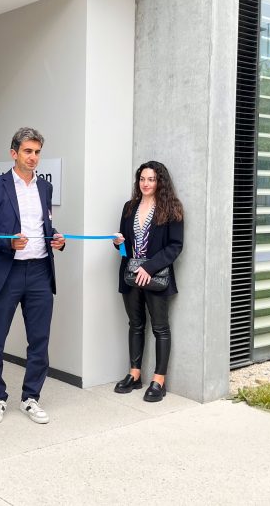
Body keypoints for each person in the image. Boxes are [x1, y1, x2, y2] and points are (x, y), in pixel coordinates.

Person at [0, 127, 65, 425]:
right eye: (28, 151)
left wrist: (57, 239)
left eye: (37, 152)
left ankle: (31, 398)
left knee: (39, 340)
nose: (33, 157)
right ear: (14, 153)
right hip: (6, 272)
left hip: (40, 271)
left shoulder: (44, 188)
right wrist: (7, 242)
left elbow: (44, 226)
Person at [112, 161, 183, 402]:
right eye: (142, 179)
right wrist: (118, 243)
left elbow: (175, 246)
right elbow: (124, 247)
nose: (146, 184)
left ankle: (159, 380)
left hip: (156, 276)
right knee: (135, 324)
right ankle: (134, 375)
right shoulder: (129, 207)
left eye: (151, 179)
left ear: (160, 181)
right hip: (131, 275)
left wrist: (149, 267)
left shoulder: (171, 208)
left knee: (161, 328)